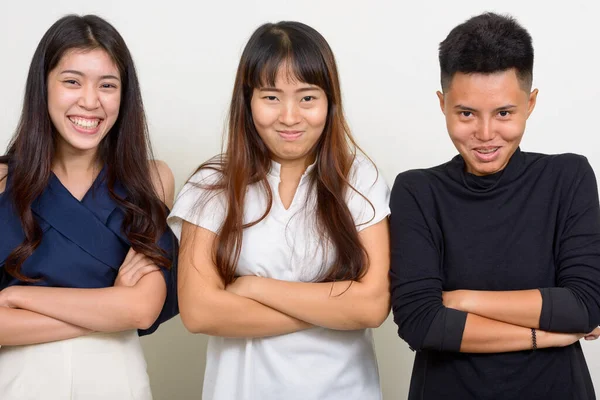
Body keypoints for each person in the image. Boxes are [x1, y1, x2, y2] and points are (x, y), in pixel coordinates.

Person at [168, 21, 390, 400]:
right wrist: (330, 311)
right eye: (271, 97)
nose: (290, 116)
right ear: (248, 99)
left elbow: (371, 306)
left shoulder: (359, 178)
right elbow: (199, 311)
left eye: (307, 98)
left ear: (329, 101)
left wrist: (255, 288)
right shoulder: (211, 185)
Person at [390, 12, 600, 400]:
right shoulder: (417, 191)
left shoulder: (568, 177)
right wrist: (547, 336)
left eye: (504, 113)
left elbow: (585, 305)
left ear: (531, 102)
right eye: (466, 113)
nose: (486, 135)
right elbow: (421, 323)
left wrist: (460, 300)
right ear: (442, 103)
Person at [0, 14, 178, 399]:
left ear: (124, 94)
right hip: (20, 384)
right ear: (42, 86)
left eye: (107, 85)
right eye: (72, 81)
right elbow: (127, 311)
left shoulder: (152, 180)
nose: (90, 101)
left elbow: (143, 310)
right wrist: (110, 310)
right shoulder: (1, 181)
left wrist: (18, 299)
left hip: (119, 383)